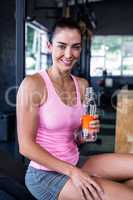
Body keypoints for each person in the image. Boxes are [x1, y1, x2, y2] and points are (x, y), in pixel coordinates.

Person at [16, 17, 133, 200]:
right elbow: (25, 147)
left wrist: (85, 134)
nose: (69, 54)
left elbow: (79, 138)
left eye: (75, 47)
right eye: (61, 46)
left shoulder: (83, 85)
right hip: (45, 175)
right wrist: (73, 173)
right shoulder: (32, 84)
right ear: (49, 46)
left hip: (76, 161)